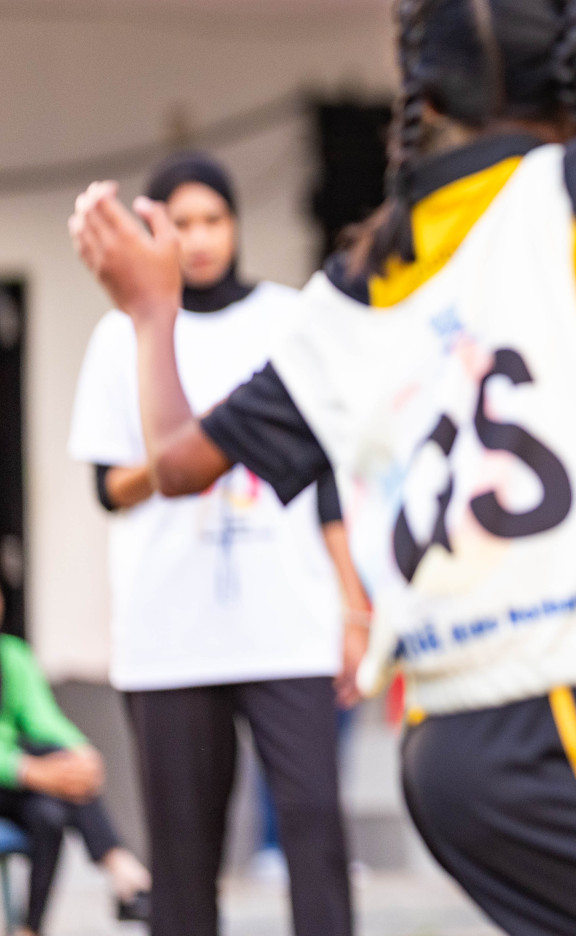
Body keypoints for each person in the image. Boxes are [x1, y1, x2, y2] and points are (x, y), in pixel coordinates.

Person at [69, 0, 576, 935]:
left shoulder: (355, 285)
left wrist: (151, 315)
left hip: (444, 745)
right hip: (546, 725)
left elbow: (177, 463)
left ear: (422, 86)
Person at [68, 151, 368, 936]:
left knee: (314, 832)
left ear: (235, 226)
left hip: (287, 623)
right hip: (170, 632)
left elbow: (326, 473)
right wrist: (189, 458)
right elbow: (107, 487)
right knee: (184, 860)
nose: (199, 240)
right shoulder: (118, 334)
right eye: (180, 223)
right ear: (148, 230)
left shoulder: (285, 318)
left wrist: (353, 604)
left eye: (214, 220)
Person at [0, 593, 151, 935]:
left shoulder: (12, 655)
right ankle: (121, 868)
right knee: (51, 773)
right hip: (12, 773)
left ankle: (30, 927)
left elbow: (43, 718)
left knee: (50, 810)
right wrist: (25, 769)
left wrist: (79, 751)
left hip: (18, 785)